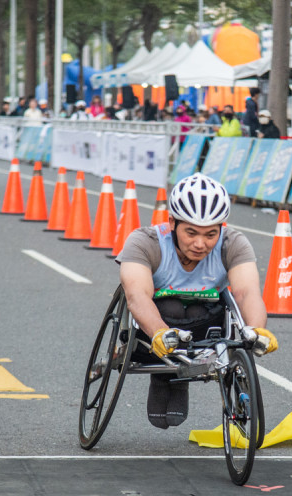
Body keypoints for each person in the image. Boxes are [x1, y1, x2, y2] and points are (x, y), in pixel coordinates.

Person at [116, 173, 277, 429]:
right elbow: (136, 295)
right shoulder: (144, 242)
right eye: (191, 232)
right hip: (155, 329)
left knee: (209, 309)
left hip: (207, 326)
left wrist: (256, 330)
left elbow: (247, 293)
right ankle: (163, 376)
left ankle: (179, 377)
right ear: (171, 222)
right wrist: (159, 332)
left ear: (221, 228)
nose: (200, 244)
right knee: (171, 306)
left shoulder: (233, 243)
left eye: (210, 234)